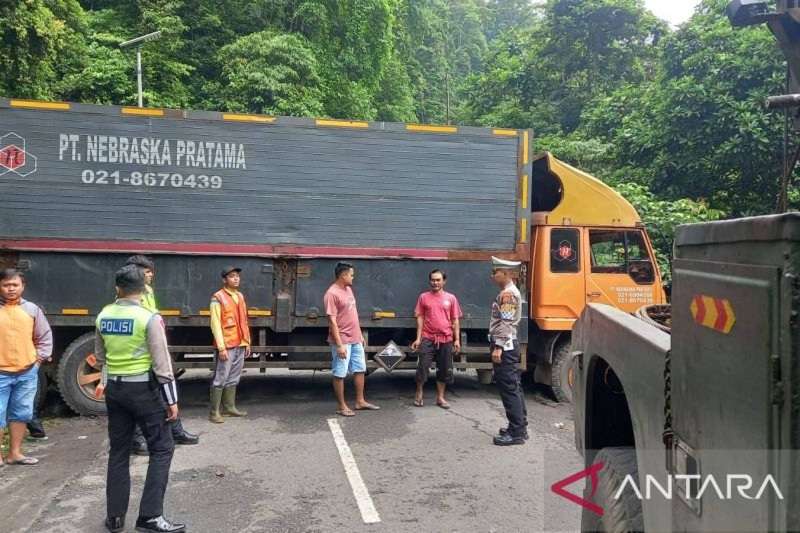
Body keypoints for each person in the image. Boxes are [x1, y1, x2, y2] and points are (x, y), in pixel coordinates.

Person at [94, 265, 185, 533]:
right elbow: (162, 364)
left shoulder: (104, 315)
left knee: (119, 451)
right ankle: (150, 517)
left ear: (117, 288)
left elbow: (100, 358)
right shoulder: (148, 317)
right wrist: (171, 400)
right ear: (144, 290)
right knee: (163, 448)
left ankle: (115, 518)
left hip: (115, 391)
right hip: (143, 391)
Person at [125, 255, 198, 451]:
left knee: (166, 390)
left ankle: (176, 431)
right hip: (141, 351)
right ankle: (137, 439)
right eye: (147, 272)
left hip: (153, 345)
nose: (151, 275)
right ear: (136, 272)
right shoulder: (128, 295)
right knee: (143, 397)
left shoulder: (147, 290)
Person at [0, 268, 52, 465]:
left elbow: (44, 338)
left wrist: (37, 362)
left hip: (26, 372)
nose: (11, 289)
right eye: (6, 285)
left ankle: (15, 453)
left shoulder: (32, 310)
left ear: (23, 286)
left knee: (21, 413)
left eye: (15, 285)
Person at [324, 262, 379, 417]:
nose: (353, 278)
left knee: (360, 369)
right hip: (342, 340)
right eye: (351, 275)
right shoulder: (331, 294)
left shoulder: (348, 289)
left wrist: (360, 335)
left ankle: (360, 401)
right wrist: (339, 345)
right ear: (343, 275)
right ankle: (342, 406)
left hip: (355, 339)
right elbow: (332, 321)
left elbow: (352, 314)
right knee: (340, 373)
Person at [489, 257, 528, 446]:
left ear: (505, 273)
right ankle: (520, 426)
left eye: (495, 272)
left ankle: (516, 433)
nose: (492, 276)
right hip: (509, 344)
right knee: (515, 386)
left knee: (509, 388)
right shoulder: (510, 292)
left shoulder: (508, 295)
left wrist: (498, 347)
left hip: (505, 345)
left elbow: (505, 323)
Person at [411, 269, 462, 409]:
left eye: (438, 280)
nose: (435, 282)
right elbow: (420, 318)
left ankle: (440, 397)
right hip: (428, 337)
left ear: (444, 281)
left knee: (445, 369)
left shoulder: (451, 298)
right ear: (430, 281)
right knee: (422, 367)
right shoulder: (423, 297)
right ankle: (419, 393)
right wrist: (418, 338)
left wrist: (457, 340)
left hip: (446, 339)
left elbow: (455, 320)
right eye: (433, 280)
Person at [208, 266, 250, 424]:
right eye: (232, 276)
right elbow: (215, 324)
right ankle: (214, 412)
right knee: (221, 378)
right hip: (227, 344)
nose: (236, 278)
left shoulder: (239, 296)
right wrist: (221, 347)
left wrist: (247, 342)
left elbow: (244, 321)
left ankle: (229, 407)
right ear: (224, 280)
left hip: (239, 343)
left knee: (233, 377)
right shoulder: (217, 297)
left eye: (237, 276)